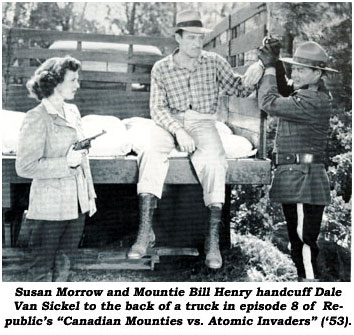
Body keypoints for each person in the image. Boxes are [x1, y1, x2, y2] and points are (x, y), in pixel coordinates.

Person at [127, 9, 263, 269]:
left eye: (200, 38)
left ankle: (211, 241)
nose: (197, 43)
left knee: (214, 162)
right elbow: (157, 109)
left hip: (203, 121)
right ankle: (145, 232)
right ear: (178, 38)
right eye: (190, 38)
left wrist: (259, 67)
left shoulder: (213, 62)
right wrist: (178, 131)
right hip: (169, 122)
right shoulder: (161, 68)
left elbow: (239, 88)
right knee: (150, 152)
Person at [256, 40, 337, 281]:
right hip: (299, 176)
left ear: (317, 73)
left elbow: (269, 101)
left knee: (303, 243)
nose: (295, 73)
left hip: (304, 180)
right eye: (294, 68)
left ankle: (309, 289)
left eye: (302, 69)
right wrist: (278, 64)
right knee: (298, 240)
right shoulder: (310, 94)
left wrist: (270, 68)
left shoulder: (312, 101)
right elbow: (286, 88)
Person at [16, 56, 97, 281]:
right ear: (56, 83)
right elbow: (25, 166)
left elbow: (79, 159)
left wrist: (89, 196)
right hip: (49, 208)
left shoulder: (72, 112)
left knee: (65, 266)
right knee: (41, 268)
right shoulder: (36, 118)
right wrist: (66, 162)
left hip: (76, 204)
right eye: (73, 80)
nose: (77, 85)